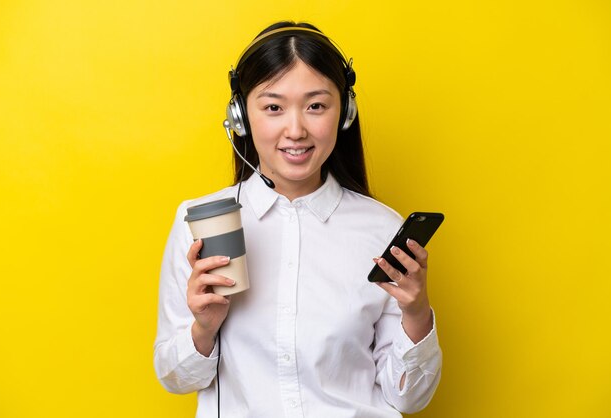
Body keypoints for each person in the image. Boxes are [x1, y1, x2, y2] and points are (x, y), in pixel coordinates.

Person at [154, 21, 442, 418]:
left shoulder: (382, 228)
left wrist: (416, 313)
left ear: (345, 112)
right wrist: (203, 329)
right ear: (240, 116)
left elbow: (408, 398)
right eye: (273, 107)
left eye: (316, 106)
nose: (295, 130)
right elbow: (176, 379)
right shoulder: (198, 224)